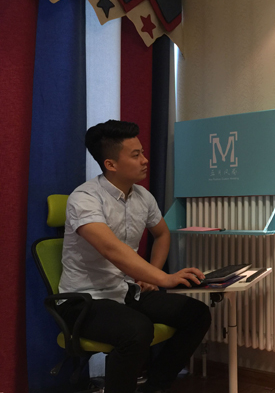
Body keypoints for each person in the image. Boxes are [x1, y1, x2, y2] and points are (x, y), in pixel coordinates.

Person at [57, 120, 211, 393]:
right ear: (111, 164)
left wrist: (150, 277)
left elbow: (162, 234)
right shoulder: (84, 198)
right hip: (83, 300)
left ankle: (155, 386)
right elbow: (111, 249)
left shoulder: (143, 197)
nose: (145, 160)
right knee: (137, 329)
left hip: (125, 291)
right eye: (136, 154)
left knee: (196, 313)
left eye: (142, 152)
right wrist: (163, 277)